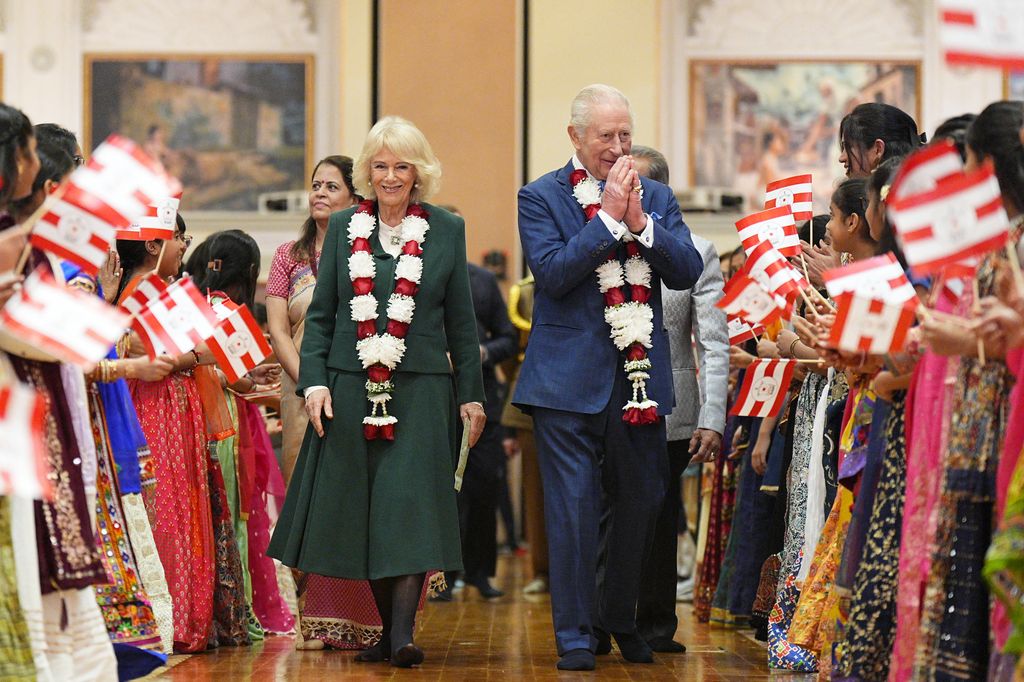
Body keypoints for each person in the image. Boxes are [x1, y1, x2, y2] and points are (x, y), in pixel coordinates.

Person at [268, 116, 485, 668]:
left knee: (409, 508)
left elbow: (462, 321)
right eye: (381, 166)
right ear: (368, 171)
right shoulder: (344, 228)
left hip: (423, 392)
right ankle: (387, 633)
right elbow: (320, 319)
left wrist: (472, 395)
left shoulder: (446, 230)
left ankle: (402, 635)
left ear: (419, 173)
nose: (391, 177)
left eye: (402, 166)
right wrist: (313, 381)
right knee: (365, 513)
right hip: (347, 385)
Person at [514, 84, 702, 671]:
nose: (619, 146)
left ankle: (619, 616)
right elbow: (552, 273)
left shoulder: (660, 196)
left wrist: (643, 224)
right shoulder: (540, 196)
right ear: (575, 137)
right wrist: (606, 222)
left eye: (625, 133)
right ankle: (574, 635)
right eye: (606, 136)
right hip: (566, 386)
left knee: (644, 503)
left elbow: (687, 270)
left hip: (639, 382)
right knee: (571, 509)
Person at [629, 145, 729, 653]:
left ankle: (655, 624)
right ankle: (605, 619)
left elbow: (712, 342)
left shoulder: (698, 251)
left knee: (662, 515)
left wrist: (713, 417)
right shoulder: (598, 241)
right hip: (608, 401)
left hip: (672, 408)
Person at [267, 155, 361, 486]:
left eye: (331, 187)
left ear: (355, 198)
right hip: (300, 387)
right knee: (302, 485)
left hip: (357, 385)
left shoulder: (366, 257)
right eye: (315, 186)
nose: (319, 193)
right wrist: (311, 384)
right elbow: (278, 333)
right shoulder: (288, 257)